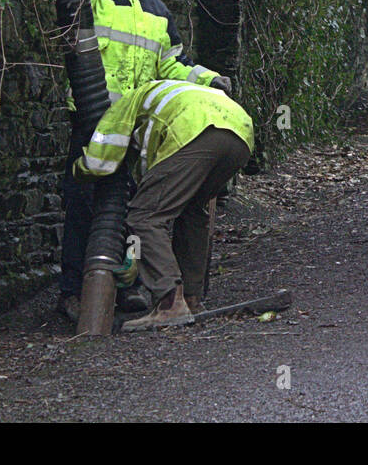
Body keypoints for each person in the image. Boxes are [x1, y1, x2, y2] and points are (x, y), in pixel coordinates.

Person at [57, 0, 231, 322]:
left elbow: (172, 65)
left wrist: (208, 80)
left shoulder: (157, 13)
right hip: (90, 120)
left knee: (129, 206)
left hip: (133, 128)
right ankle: (73, 292)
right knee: (83, 205)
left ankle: (125, 288)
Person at [74, 79, 255, 331]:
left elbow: (100, 162)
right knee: (192, 210)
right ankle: (191, 299)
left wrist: (77, 172)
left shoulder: (123, 106)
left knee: (144, 216)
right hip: (240, 132)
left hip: (196, 129)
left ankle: (170, 302)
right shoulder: (174, 90)